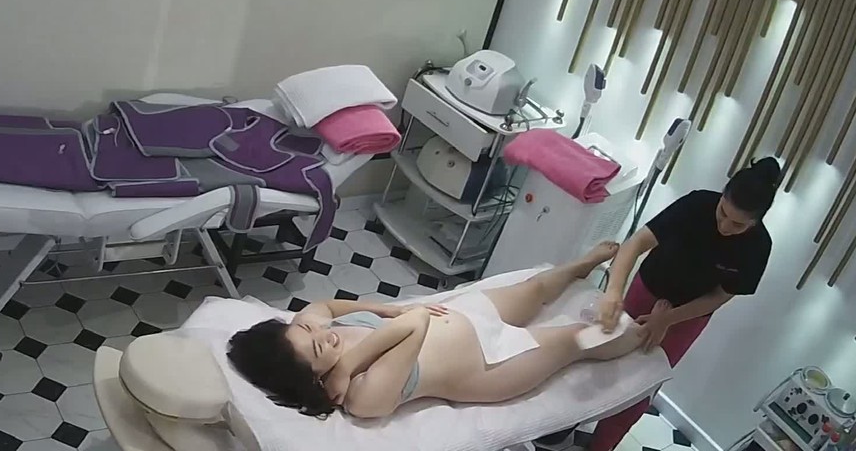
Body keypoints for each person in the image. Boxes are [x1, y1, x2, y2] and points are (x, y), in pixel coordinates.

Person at [228, 242, 642, 418]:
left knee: (533, 290)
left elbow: (325, 307)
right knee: (576, 340)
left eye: (304, 328)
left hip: (466, 316)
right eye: (318, 349)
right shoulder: (362, 396)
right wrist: (349, 364)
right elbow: (416, 321)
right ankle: (643, 334)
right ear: (314, 379)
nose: (323, 333)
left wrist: (379, 308)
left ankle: (579, 267)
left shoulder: (312, 330)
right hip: (490, 367)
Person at [590, 158, 781, 451]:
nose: (724, 226)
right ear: (722, 195)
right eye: (722, 212)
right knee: (601, 358)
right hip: (646, 289)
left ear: (756, 221)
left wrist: (668, 319)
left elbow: (721, 295)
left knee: (637, 388)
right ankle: (560, 431)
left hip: (687, 318)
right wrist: (614, 291)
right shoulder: (696, 205)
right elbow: (637, 243)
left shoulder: (758, 247)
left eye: (738, 224)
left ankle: (601, 446)